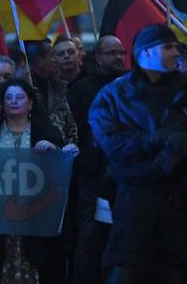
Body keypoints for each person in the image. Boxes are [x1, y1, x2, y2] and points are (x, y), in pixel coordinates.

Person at [90, 24, 187, 283]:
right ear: (144, 53)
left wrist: (183, 145)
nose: (176, 52)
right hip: (133, 205)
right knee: (125, 272)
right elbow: (113, 145)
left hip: (178, 205)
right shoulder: (115, 97)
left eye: (176, 46)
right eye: (167, 47)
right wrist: (156, 142)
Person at [0, 79, 77, 283]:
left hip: (35, 215)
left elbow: (64, 169)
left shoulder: (47, 132)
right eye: (9, 98)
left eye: (19, 97)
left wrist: (53, 151)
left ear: (31, 103)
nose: (13, 101)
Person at [67, 35, 127, 284]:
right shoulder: (82, 88)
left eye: (121, 53)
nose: (118, 58)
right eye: (112, 53)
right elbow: (73, 128)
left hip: (126, 172)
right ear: (98, 57)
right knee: (90, 235)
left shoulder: (132, 85)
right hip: (94, 173)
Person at [25, 39, 78, 145]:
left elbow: (70, 127)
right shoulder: (25, 91)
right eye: (52, 56)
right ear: (40, 61)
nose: (56, 60)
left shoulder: (59, 87)